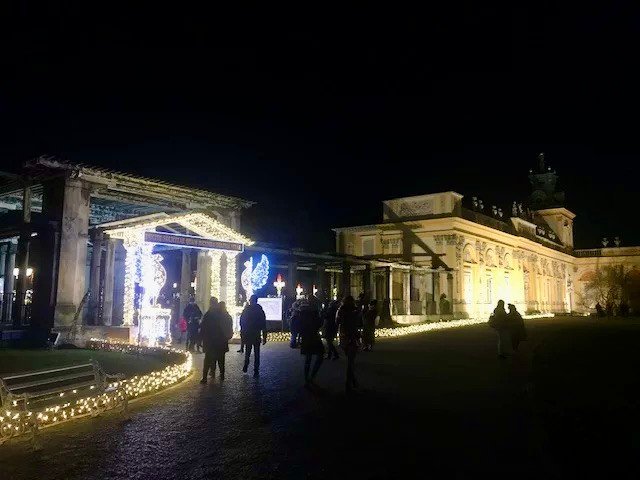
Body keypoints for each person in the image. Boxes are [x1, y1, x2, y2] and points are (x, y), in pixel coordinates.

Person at [199, 297, 233, 384]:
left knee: (208, 359)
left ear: (210, 303)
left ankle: (206, 377)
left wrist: (200, 339)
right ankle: (221, 375)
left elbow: (203, 328)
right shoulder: (222, 314)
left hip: (210, 341)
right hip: (221, 341)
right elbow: (228, 324)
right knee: (221, 359)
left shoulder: (208, 314)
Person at [336, 295, 362, 393]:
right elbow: (358, 323)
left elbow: (337, 322)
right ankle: (349, 383)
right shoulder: (355, 311)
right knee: (351, 361)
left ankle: (352, 381)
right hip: (352, 336)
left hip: (344, 336)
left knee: (350, 360)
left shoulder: (341, 310)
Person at [298, 296, 325, 387]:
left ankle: (307, 379)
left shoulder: (303, 311)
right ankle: (311, 377)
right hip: (313, 336)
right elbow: (319, 324)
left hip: (306, 337)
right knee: (319, 356)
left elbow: (301, 325)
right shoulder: (314, 312)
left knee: (308, 358)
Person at [240, 294, 267, 377]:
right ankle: (256, 370)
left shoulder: (246, 310)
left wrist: (243, 332)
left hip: (248, 333)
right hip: (256, 334)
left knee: (248, 351)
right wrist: (264, 337)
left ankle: (246, 366)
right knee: (256, 353)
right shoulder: (260, 310)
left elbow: (242, 321)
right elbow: (263, 324)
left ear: (250, 300)